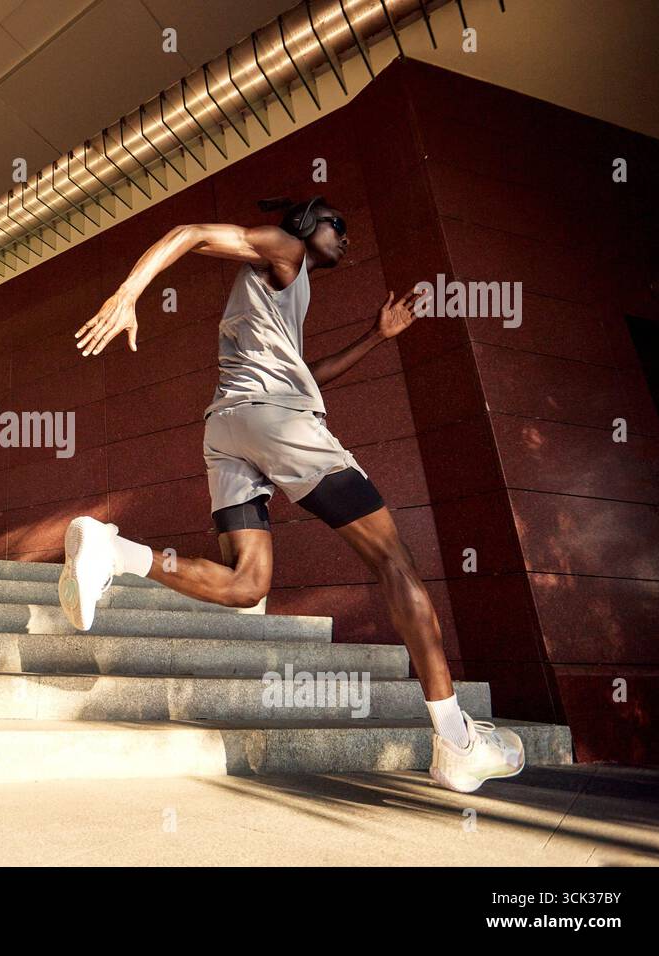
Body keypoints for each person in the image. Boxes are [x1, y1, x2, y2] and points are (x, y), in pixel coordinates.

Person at [58, 196, 524, 793]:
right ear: (306, 223)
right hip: (277, 424)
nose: (346, 240)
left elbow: (307, 372)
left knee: (247, 585)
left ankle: (112, 553)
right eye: (339, 226)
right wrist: (128, 294)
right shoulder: (287, 250)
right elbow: (191, 230)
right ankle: (455, 739)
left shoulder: (276, 301)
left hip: (227, 430)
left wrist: (376, 336)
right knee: (392, 560)